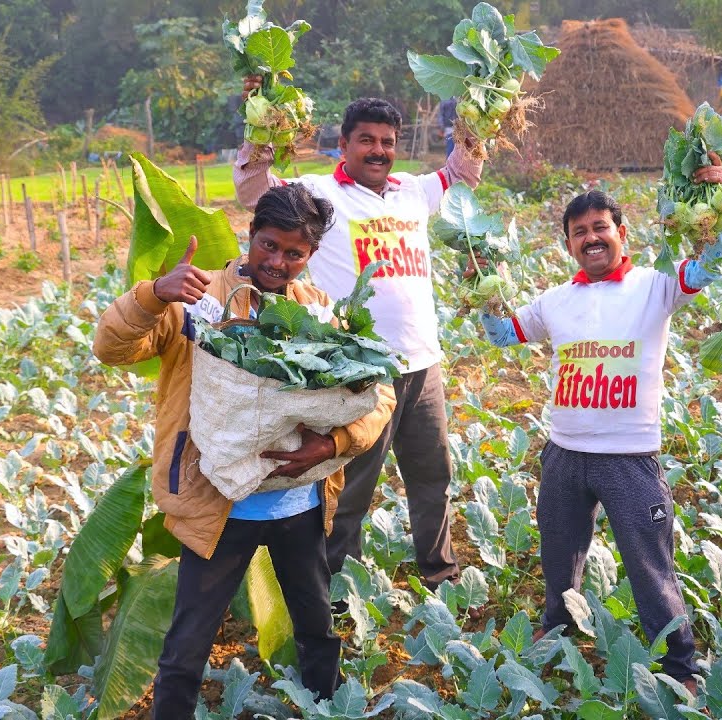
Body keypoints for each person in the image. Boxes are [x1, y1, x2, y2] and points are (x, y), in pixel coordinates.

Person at [92, 184, 396, 717]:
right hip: (218, 504)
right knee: (188, 643)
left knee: (317, 628)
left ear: (311, 254)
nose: (277, 262)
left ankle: (327, 707)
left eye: (294, 253)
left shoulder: (319, 310)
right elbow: (112, 347)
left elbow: (379, 393)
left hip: (298, 503)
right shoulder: (197, 298)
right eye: (268, 245)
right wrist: (154, 294)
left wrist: (333, 442)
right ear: (250, 235)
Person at [474, 166, 722, 696]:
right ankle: (559, 624)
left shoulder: (656, 286)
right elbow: (501, 335)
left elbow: (709, 264)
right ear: (568, 244)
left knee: (649, 563)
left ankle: (680, 664)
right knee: (558, 551)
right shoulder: (555, 300)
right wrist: (481, 281)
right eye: (579, 232)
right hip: (564, 451)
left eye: (600, 227)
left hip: (629, 456)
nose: (591, 238)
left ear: (621, 233)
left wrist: (718, 195)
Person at [235, 83, 483, 589]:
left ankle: (440, 573)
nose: (378, 151)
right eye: (366, 140)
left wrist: (479, 121)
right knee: (349, 485)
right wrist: (260, 121)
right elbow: (256, 192)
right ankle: (338, 586)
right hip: (358, 367)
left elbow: (461, 176)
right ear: (344, 144)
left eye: (387, 141)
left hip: (423, 364)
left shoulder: (412, 191)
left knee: (432, 476)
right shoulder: (318, 195)